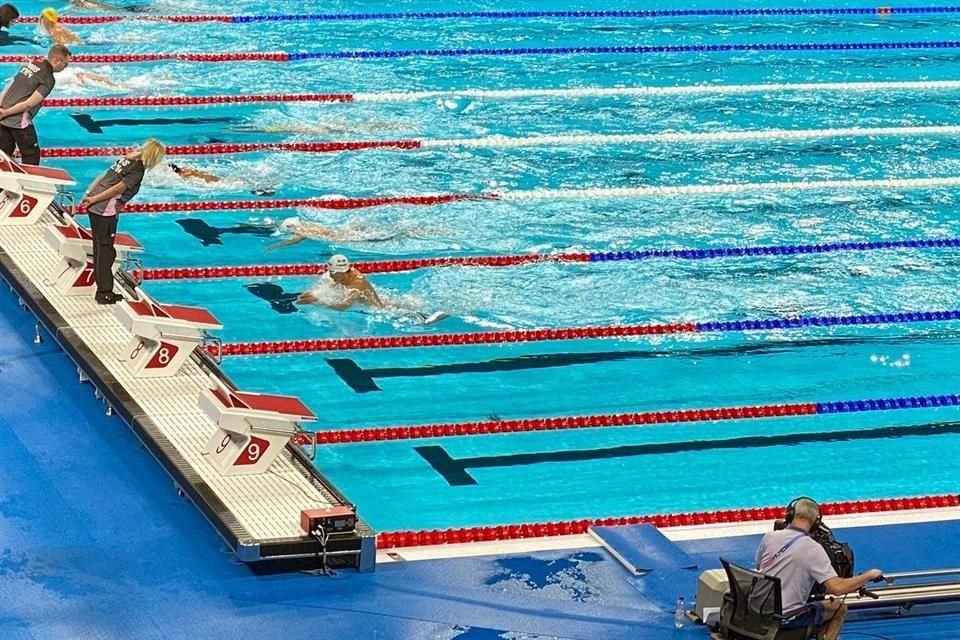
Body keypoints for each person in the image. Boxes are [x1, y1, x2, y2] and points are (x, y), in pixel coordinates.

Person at [756, 497, 883, 640]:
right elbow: (837, 588)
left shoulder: (769, 537)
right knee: (839, 608)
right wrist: (869, 575)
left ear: (790, 515)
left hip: (757, 613)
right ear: (816, 523)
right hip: (784, 621)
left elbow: (761, 567)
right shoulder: (813, 549)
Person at [80, 139, 165, 304]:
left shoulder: (128, 158)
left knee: (101, 249)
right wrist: (94, 199)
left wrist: (89, 194)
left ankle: (103, 290)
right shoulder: (138, 169)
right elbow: (117, 189)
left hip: (96, 206)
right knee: (106, 253)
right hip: (104, 211)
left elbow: (103, 176)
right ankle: (104, 294)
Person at [0, 44, 70, 165]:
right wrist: (6, 113)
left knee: (4, 156)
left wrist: (1, 109)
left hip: (3, 119)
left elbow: (9, 87)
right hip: (18, 122)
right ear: (57, 60)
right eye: (66, 64)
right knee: (31, 156)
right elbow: (28, 104)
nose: (66, 67)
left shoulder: (31, 65)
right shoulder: (48, 78)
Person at [296, 254, 384, 310]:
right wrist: (314, 294)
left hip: (377, 311)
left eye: (333, 273)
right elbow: (329, 286)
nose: (330, 276)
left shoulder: (358, 284)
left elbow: (343, 307)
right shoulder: (345, 274)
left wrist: (319, 301)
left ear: (342, 273)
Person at [168, 162, 275, 196]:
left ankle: (258, 187)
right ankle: (257, 186)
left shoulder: (185, 174)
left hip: (220, 184)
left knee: (235, 183)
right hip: (220, 181)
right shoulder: (186, 170)